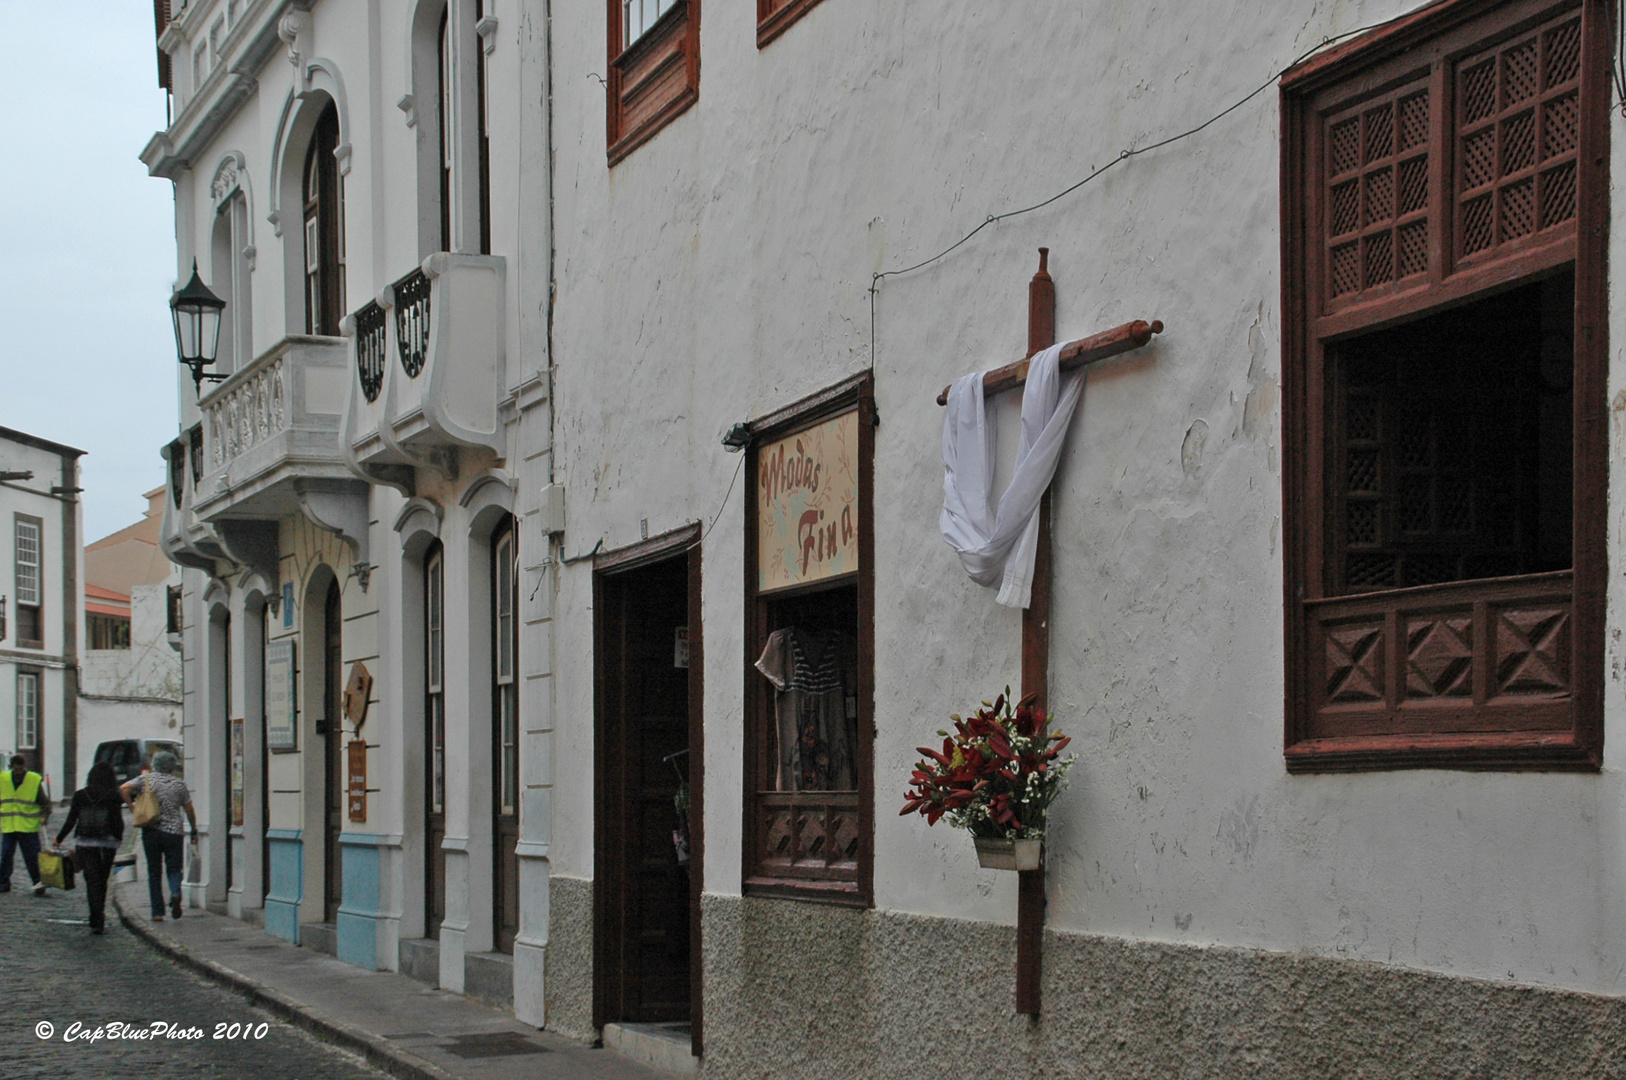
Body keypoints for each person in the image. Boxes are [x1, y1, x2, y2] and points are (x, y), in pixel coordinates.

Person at [119, 751, 196, 921]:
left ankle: (157, 912)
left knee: (154, 871)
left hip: (151, 830)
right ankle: (175, 893)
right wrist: (194, 829)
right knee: (174, 868)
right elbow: (189, 809)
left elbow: (123, 789)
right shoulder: (179, 784)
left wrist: (133, 808)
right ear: (172, 766)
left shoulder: (147, 780)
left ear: (155, 764)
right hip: (174, 832)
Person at [55, 761, 125, 933]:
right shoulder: (114, 795)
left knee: (92, 880)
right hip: (108, 843)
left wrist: (59, 838)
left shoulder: (80, 795)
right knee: (103, 879)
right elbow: (118, 821)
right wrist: (118, 838)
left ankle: (96, 918)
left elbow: (71, 820)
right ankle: (99, 912)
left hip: (85, 842)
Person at [1, 753, 51, 895]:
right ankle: (3, 883)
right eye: (16, 769)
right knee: (5, 856)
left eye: (21, 769)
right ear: (11, 767)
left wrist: (45, 817)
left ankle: (38, 883)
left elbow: (44, 803)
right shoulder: (3, 779)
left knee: (32, 858)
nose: (19, 773)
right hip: (9, 826)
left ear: (24, 767)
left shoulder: (33, 780)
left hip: (28, 827)